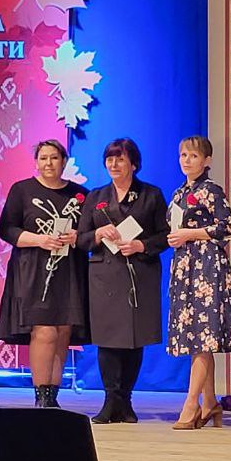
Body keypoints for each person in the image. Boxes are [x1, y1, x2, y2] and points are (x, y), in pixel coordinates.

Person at [76, 138, 169, 424]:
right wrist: (98, 234)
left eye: (120, 159)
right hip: (104, 275)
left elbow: (165, 235)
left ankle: (125, 400)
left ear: (134, 164)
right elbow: (81, 239)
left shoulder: (151, 195)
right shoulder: (96, 196)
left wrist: (142, 245)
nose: (114, 164)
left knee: (133, 338)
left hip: (139, 273)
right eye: (110, 159)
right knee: (107, 339)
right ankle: (110, 400)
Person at [0, 139, 87, 408]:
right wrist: (40, 240)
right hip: (33, 271)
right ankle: (40, 394)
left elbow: (89, 234)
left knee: (62, 332)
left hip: (69, 272)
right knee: (45, 331)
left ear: (64, 161)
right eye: (43, 158)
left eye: (54, 158)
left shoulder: (80, 194)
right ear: (36, 162)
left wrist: (77, 236)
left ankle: (52, 396)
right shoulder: (22, 190)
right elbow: (7, 229)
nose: (49, 163)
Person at [165, 136, 231, 430]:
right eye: (183, 155)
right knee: (196, 336)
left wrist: (190, 234)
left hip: (207, 267)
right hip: (185, 266)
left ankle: (191, 403)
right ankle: (210, 403)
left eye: (193, 156)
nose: (187, 160)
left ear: (206, 161)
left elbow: (227, 227)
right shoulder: (179, 193)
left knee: (203, 337)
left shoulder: (211, 190)